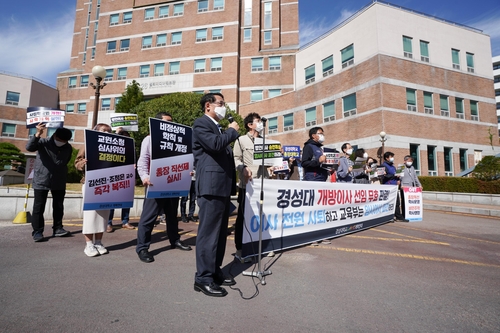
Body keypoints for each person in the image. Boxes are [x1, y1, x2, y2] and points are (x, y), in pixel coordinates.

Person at [193, 92, 239, 297]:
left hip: (221, 187)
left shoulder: (218, 128)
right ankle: (203, 278)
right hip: (210, 187)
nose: (223, 107)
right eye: (220, 103)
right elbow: (215, 144)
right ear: (208, 106)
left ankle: (215, 271)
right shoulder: (201, 124)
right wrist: (232, 132)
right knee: (209, 234)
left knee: (220, 234)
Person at [136, 112, 192, 264]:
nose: (171, 124)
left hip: (173, 184)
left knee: (172, 216)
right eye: (168, 121)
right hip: (155, 184)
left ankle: (175, 240)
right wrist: (145, 177)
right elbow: (143, 161)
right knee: (148, 218)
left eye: (172, 121)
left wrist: (188, 172)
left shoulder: (179, 142)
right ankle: (142, 247)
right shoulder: (149, 139)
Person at [26, 123, 73, 242]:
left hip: (59, 180)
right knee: (39, 207)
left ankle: (58, 228)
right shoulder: (43, 142)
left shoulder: (68, 147)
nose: (62, 142)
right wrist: (37, 134)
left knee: (58, 206)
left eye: (65, 141)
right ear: (54, 135)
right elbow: (29, 147)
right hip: (42, 179)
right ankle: (37, 232)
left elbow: (66, 160)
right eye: (60, 139)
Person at [233, 112, 268, 263]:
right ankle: (240, 249)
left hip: (264, 183)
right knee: (243, 217)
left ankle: (261, 245)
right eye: (258, 121)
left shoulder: (265, 141)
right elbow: (235, 159)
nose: (261, 124)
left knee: (262, 215)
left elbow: (270, 160)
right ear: (250, 125)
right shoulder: (240, 140)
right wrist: (243, 168)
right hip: (247, 184)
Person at [75, 123, 113, 257]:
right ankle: (89, 245)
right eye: (103, 131)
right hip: (91, 183)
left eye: (109, 131)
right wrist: (82, 164)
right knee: (91, 215)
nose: (107, 133)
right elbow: (77, 163)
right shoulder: (88, 144)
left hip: (108, 184)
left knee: (103, 215)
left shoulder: (113, 147)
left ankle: (98, 242)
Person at [301, 127, 331, 245]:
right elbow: (305, 163)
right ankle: (312, 235)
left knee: (321, 208)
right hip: (312, 178)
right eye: (320, 133)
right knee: (313, 208)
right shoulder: (309, 146)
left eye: (323, 133)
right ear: (313, 135)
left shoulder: (320, 148)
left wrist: (332, 164)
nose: (322, 135)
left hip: (322, 178)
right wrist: (318, 161)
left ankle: (321, 233)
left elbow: (323, 163)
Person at [107, 128, 134, 232]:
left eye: (128, 138)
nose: (126, 139)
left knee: (126, 201)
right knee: (112, 202)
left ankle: (125, 221)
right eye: (124, 138)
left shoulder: (131, 149)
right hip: (113, 178)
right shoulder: (112, 148)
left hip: (127, 178)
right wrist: (117, 133)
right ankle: (108, 223)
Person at [381, 151, 408, 222]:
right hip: (388, 186)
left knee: (397, 202)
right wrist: (394, 175)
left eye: (393, 157)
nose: (393, 158)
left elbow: (396, 175)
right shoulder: (383, 166)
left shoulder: (393, 166)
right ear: (387, 158)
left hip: (394, 186)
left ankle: (398, 216)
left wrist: (398, 179)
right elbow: (384, 176)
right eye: (391, 157)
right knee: (389, 202)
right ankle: (390, 216)